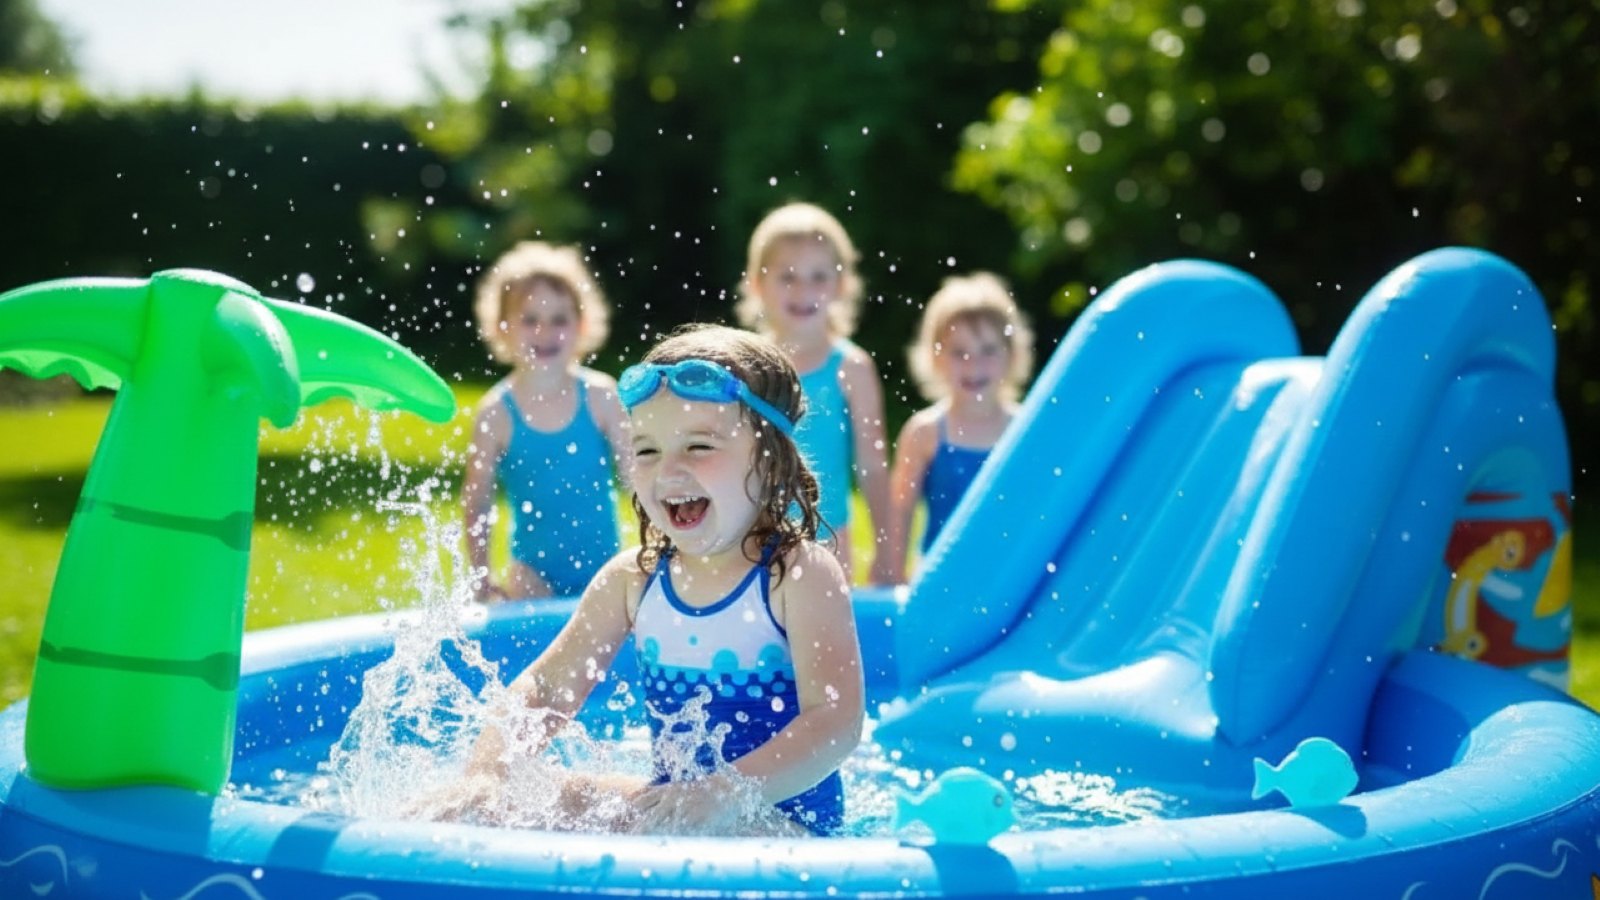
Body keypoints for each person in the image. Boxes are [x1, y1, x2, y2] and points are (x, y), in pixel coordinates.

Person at [431, 325, 865, 836]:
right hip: (674, 809)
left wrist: (723, 794)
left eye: (698, 446)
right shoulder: (632, 580)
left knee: (712, 832)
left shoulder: (797, 575)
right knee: (525, 796)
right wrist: (487, 773)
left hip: (784, 827)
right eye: (646, 450)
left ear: (771, 460)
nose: (668, 471)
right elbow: (546, 689)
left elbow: (834, 721)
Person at [735, 202, 892, 584]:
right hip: (750, 542)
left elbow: (872, 467)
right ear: (757, 283)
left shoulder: (852, 368)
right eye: (787, 276)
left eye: (818, 276)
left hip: (829, 543)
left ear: (841, 284)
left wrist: (888, 551)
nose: (803, 289)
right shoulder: (745, 366)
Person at [462, 241, 629, 601]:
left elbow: (637, 478)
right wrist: (481, 575)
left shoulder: (601, 397)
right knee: (524, 591)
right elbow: (477, 501)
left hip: (604, 567)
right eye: (530, 320)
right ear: (502, 327)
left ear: (582, 324)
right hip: (534, 573)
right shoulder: (496, 413)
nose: (545, 332)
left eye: (559, 320)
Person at [880, 272, 1035, 584]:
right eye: (959, 352)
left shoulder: (1025, 429)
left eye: (988, 351)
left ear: (1012, 354)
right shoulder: (925, 433)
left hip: (1009, 578)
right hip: (940, 578)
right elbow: (900, 512)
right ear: (935, 357)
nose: (973, 365)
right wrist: (893, 574)